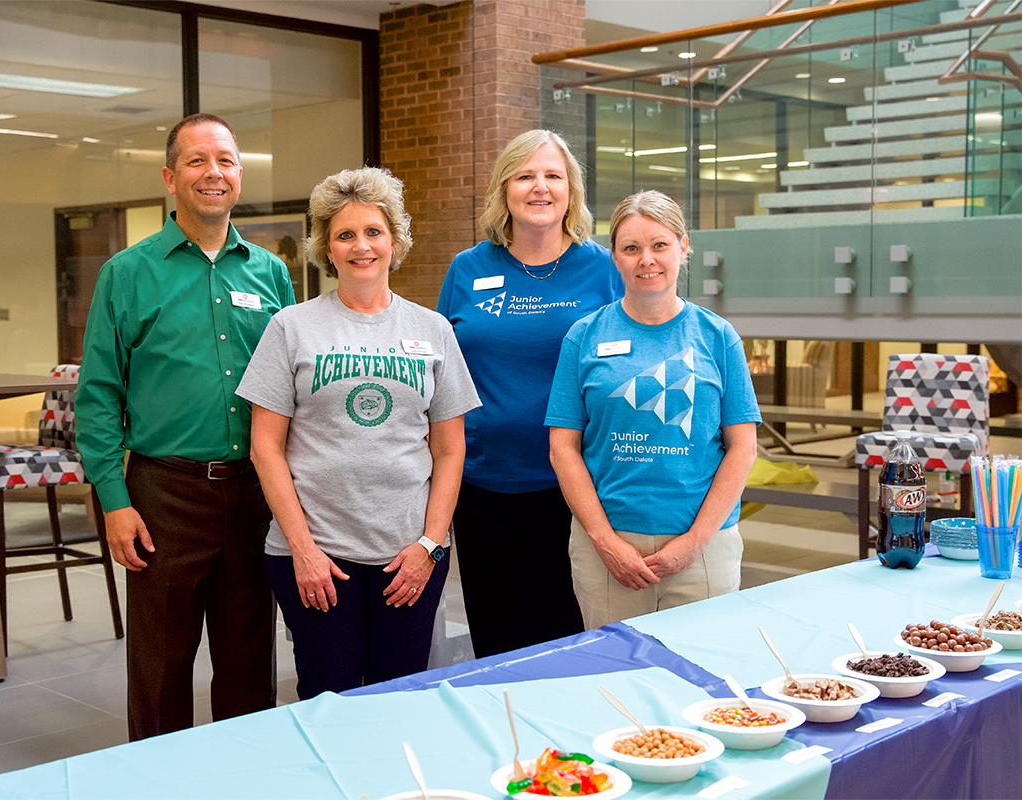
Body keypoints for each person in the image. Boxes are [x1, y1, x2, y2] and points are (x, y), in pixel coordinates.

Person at [77, 113, 296, 741]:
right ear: (171, 178)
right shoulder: (127, 272)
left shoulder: (269, 272)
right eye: (197, 161)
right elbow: (97, 397)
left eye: (225, 160)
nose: (213, 173)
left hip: (254, 492)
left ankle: (241, 774)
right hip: (164, 495)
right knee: (161, 665)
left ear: (239, 174)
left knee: (249, 660)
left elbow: (288, 385)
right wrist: (115, 503)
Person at [237, 167, 481, 699]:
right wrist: (303, 550)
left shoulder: (433, 330)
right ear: (326, 246)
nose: (361, 246)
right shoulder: (290, 327)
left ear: (394, 241)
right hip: (316, 555)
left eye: (373, 232)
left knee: (399, 695)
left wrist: (431, 545)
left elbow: (451, 448)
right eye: (345, 234)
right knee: (327, 695)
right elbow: (265, 447)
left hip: (408, 554)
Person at [436, 129, 623, 657]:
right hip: (482, 488)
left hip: (576, 489)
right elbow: (442, 374)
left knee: (572, 637)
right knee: (497, 640)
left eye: (552, 176)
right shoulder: (468, 268)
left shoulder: (603, 268)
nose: (539, 187)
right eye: (525, 176)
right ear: (504, 189)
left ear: (571, 190)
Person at [546, 190, 760, 629]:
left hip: (704, 545)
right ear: (615, 258)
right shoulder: (583, 337)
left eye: (659, 245)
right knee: (615, 676)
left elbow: (743, 449)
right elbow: (562, 448)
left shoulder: (719, 337)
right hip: (607, 547)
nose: (647, 259)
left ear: (683, 247)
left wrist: (695, 541)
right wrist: (605, 542)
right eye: (631, 248)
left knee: (703, 680)